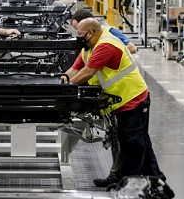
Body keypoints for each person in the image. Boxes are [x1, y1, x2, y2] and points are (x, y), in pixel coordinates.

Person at [63, 18, 166, 188]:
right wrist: (63, 80)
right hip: (119, 101)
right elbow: (75, 69)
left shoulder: (105, 45)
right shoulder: (89, 48)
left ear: (91, 33)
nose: (79, 39)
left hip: (132, 99)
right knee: (138, 141)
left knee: (132, 144)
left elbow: (88, 72)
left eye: (81, 35)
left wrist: (68, 89)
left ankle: (127, 186)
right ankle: (156, 179)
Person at [71, 9, 137, 54]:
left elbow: (132, 48)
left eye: (80, 32)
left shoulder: (110, 31)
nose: (80, 36)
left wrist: (108, 54)